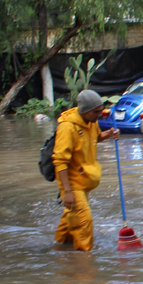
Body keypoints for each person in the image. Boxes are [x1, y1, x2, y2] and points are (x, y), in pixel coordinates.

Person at [53, 89, 118, 251]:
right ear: (85, 111)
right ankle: (84, 260)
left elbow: (95, 138)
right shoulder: (67, 128)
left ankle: (60, 247)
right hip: (73, 184)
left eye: (101, 111)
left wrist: (108, 134)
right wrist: (67, 191)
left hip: (85, 182)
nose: (100, 115)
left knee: (71, 217)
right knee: (84, 222)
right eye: (96, 112)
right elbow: (60, 161)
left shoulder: (91, 122)